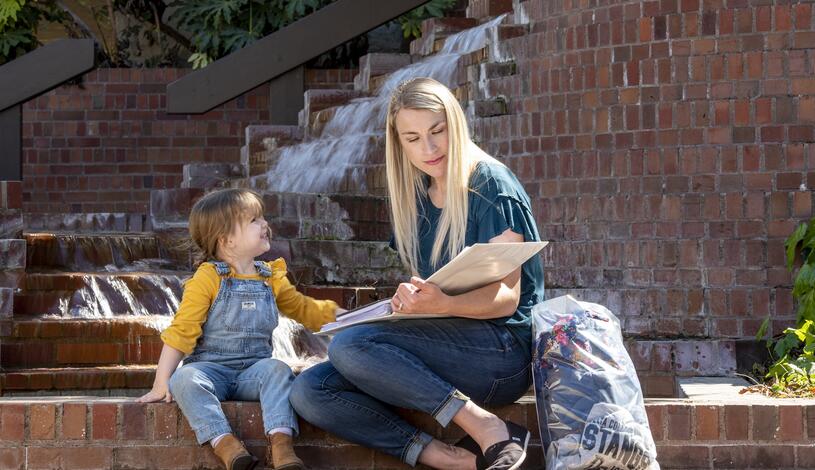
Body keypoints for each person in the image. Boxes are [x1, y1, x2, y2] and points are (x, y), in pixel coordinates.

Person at [290, 77, 545, 470]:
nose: (429, 148)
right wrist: (411, 303)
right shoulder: (416, 197)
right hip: (449, 344)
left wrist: (441, 304)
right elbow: (427, 293)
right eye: (413, 138)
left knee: (350, 346)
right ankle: (453, 459)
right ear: (399, 144)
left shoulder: (491, 185)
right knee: (310, 389)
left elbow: (506, 300)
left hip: (503, 355)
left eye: (437, 131)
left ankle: (489, 428)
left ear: (455, 125)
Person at [137, 188, 342, 470]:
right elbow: (182, 331)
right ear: (227, 239)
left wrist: (343, 317)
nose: (265, 224)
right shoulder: (208, 278)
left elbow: (303, 308)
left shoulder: (270, 276)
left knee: (278, 370)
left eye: (262, 217)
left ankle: (282, 445)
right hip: (211, 370)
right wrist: (162, 381)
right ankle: (225, 443)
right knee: (184, 378)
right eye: (254, 220)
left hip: (254, 372)